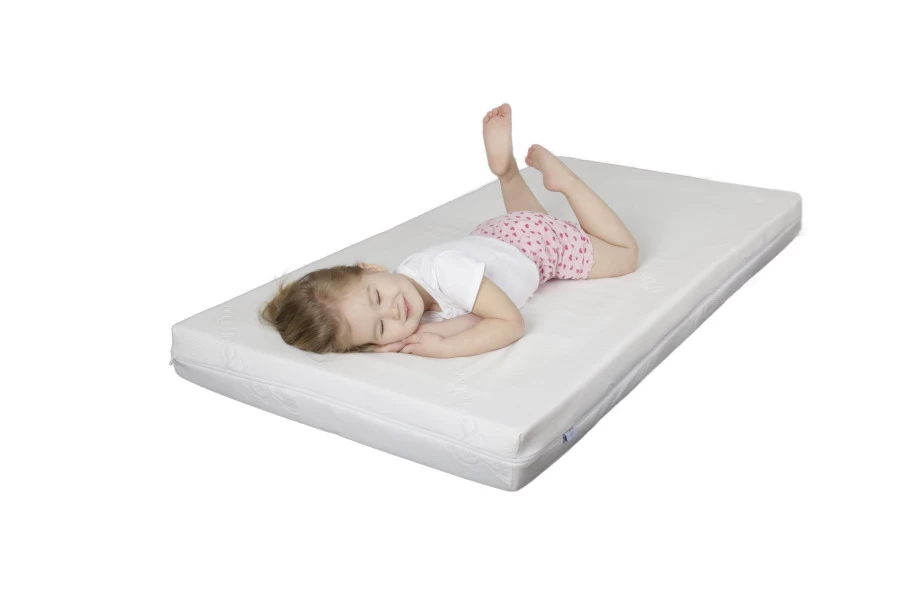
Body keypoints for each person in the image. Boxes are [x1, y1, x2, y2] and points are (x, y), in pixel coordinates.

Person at [260, 103, 639, 357]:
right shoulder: (410, 281)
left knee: (625, 255)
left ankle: (566, 182)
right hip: (499, 237)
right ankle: (507, 173)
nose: (393, 312)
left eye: (376, 297)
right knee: (533, 220)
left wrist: (445, 348)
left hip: (541, 247)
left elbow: (509, 323)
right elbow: (473, 313)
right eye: (380, 328)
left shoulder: (444, 272)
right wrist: (426, 335)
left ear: (371, 267)